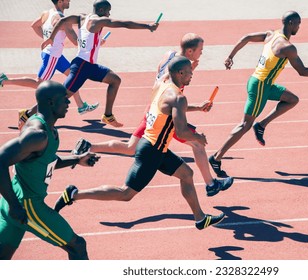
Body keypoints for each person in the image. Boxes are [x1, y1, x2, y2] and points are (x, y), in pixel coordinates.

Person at [53, 56, 225, 230]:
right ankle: (74, 194)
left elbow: (170, 108)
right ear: (180, 73)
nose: (192, 74)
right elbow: (181, 131)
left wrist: (196, 107)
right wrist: (199, 138)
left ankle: (200, 218)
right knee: (125, 193)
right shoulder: (179, 97)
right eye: (189, 71)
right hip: (152, 151)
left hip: (156, 147)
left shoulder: (162, 85)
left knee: (187, 174)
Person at [71, 33, 234, 197]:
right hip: (162, 118)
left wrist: (196, 105)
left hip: (153, 108)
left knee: (131, 147)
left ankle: (88, 146)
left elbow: (160, 83)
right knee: (197, 144)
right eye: (201, 49)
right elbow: (173, 100)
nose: (202, 53)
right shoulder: (180, 72)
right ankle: (211, 184)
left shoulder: (169, 56)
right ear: (190, 52)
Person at [209, 11, 308, 177]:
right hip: (260, 86)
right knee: (244, 125)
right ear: (290, 23)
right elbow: (302, 71)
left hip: (262, 83)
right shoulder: (288, 47)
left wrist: (230, 56)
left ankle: (261, 125)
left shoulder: (271, 34)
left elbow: (246, 37)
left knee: (292, 100)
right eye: (298, 23)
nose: (299, 26)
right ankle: (216, 157)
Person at [0, 81, 100, 260]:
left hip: (15, 200)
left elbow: (45, 161)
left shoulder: (49, 129)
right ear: (51, 102)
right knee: (77, 246)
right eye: (65, 99)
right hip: (28, 205)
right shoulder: (37, 134)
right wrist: (15, 205)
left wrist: (77, 159)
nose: (69, 103)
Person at [41, 0, 159, 127]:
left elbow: (62, 21)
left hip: (89, 66)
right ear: (101, 10)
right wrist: (148, 26)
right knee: (60, 98)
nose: (109, 15)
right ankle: (31, 115)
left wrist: (51, 37)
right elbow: (124, 24)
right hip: (81, 67)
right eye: (108, 11)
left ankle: (108, 115)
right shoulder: (98, 21)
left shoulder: (82, 17)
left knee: (115, 80)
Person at [0, 0, 99, 130]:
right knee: (39, 83)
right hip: (52, 56)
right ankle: (5, 81)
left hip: (54, 55)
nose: (70, 1)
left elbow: (34, 26)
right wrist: (96, 40)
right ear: (60, 1)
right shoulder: (62, 19)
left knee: (72, 76)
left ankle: (81, 106)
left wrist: (47, 39)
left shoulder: (46, 13)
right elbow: (76, 42)